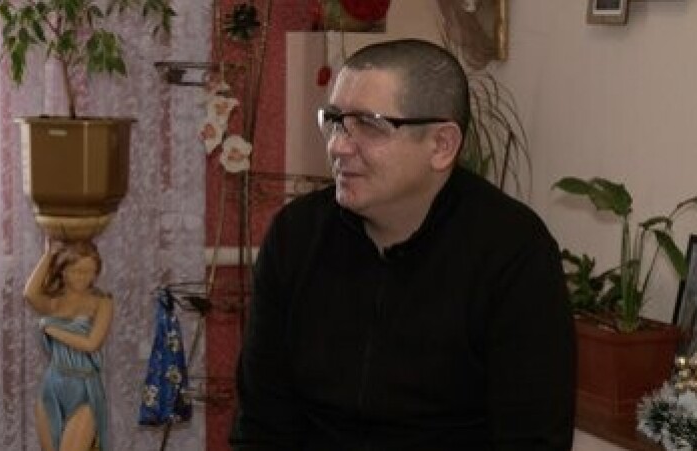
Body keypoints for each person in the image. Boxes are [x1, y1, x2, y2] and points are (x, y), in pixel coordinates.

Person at [230, 38, 575, 450]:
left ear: (441, 145)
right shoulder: (297, 235)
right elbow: (261, 423)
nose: (338, 145)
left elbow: (533, 440)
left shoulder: (512, 252)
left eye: (369, 125)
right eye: (335, 121)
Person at [24, 239, 113, 451]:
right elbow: (29, 294)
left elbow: (91, 344)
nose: (83, 277)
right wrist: (48, 255)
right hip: (53, 384)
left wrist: (51, 329)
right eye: (76, 271)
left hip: (84, 388)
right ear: (63, 271)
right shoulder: (54, 301)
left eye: (90, 271)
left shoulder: (102, 301)